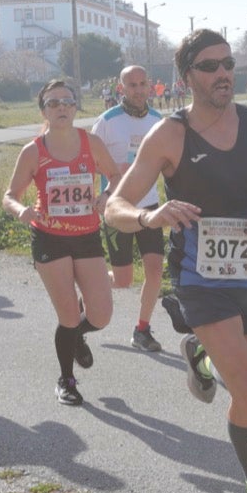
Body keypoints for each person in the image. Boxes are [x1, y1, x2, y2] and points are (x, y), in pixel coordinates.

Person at [106, 29, 247, 493]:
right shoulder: (169, 134)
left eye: (229, 63)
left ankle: (202, 359)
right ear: (187, 77)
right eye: (210, 66)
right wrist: (151, 215)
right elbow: (114, 208)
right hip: (199, 277)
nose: (223, 73)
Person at [1, 79, 118, 406]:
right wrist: (21, 210)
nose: (62, 107)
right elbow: (9, 196)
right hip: (50, 237)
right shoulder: (33, 151)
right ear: (44, 111)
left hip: (87, 236)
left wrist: (106, 195)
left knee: (102, 315)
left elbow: (116, 175)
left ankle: (76, 335)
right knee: (67, 314)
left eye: (67, 101)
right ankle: (66, 379)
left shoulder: (90, 142)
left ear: (75, 107)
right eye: (54, 103)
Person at [90, 65, 165, 353]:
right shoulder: (107, 121)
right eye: (131, 85)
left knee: (155, 270)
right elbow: (90, 161)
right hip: (117, 207)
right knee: (123, 280)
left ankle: (142, 330)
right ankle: (91, 283)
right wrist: (104, 188)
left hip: (149, 206)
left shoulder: (159, 121)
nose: (138, 89)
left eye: (142, 83)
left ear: (150, 86)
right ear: (121, 88)